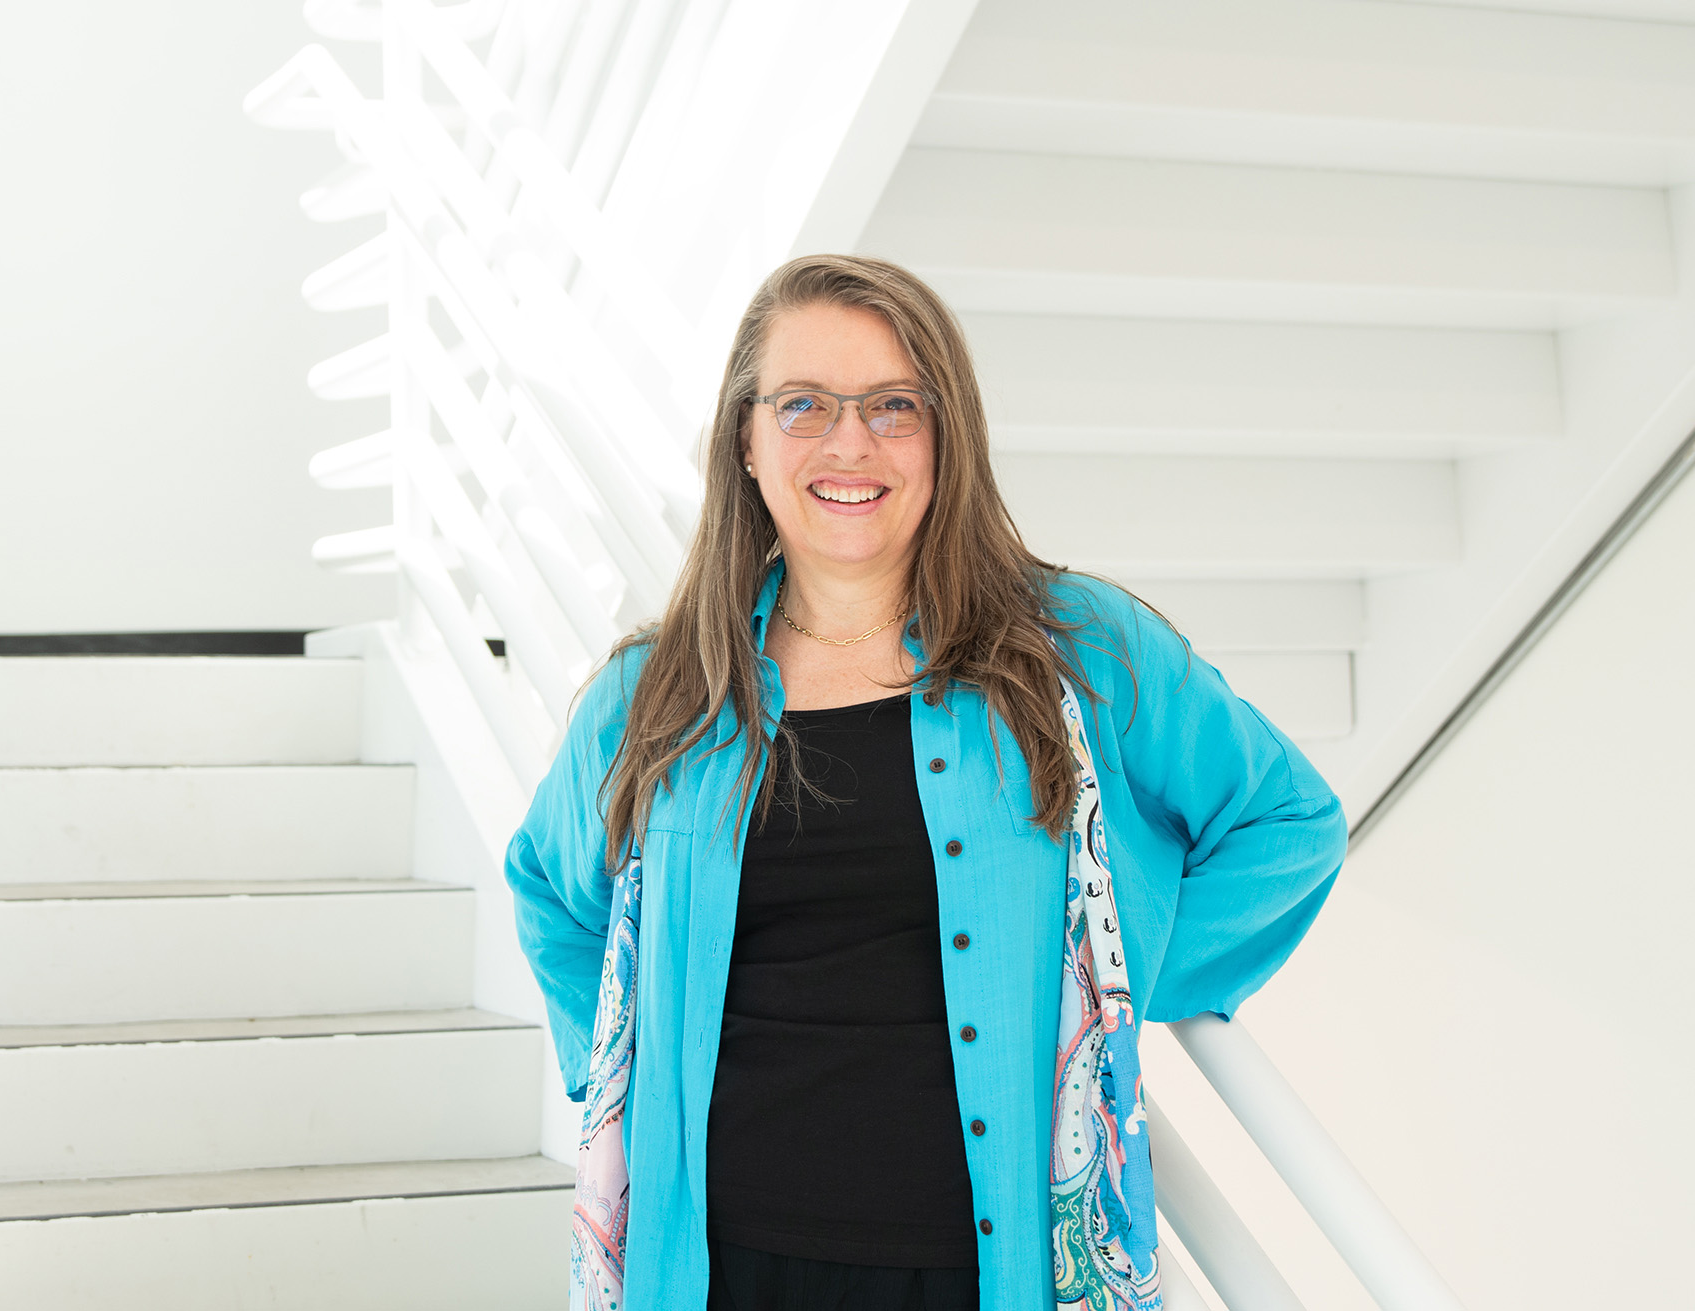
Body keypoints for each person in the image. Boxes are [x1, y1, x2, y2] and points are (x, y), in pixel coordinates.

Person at [504, 254, 1346, 1311]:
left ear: (947, 439)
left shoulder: (1077, 648)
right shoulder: (657, 690)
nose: (848, 442)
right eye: (803, 404)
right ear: (746, 441)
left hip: (979, 1270)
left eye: (893, 405)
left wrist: (1103, 990)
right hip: (715, 1266)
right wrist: (619, 1072)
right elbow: (546, 885)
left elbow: (1288, 823)